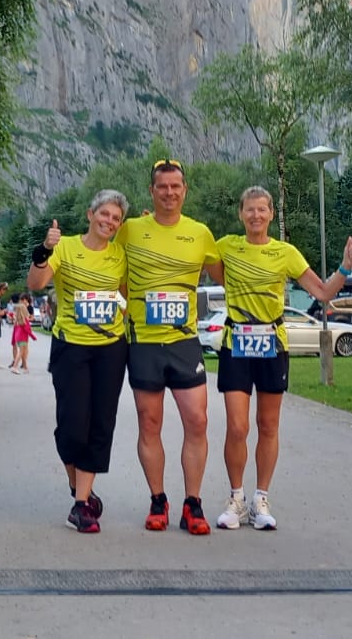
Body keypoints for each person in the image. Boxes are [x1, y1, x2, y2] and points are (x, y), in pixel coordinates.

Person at [213, 186, 352, 531]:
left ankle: (260, 498)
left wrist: (345, 266)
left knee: (268, 425)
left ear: (271, 214)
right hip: (236, 342)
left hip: (272, 344)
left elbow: (323, 292)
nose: (255, 216)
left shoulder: (285, 252)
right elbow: (201, 266)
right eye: (249, 210)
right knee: (237, 426)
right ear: (241, 214)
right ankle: (236, 499)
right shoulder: (226, 247)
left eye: (262, 210)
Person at [117, 159, 222, 534]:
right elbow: (111, 269)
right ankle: (157, 500)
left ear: (185, 190)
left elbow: (227, 273)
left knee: (197, 420)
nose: (169, 193)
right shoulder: (130, 230)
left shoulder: (200, 233)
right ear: (152, 191)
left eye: (175, 186)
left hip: (184, 342)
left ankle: (192, 503)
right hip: (144, 341)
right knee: (150, 423)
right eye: (162, 187)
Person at [28, 191, 131, 533]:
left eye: (116, 218)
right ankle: (78, 486)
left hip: (110, 349)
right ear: (90, 214)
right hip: (70, 347)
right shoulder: (66, 247)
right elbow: (37, 282)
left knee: (100, 424)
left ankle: (80, 505)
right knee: (72, 427)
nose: (109, 222)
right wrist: (44, 249)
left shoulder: (120, 255)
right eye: (104, 214)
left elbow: (127, 294)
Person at [10, 293, 34, 373]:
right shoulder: (24, 322)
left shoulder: (18, 321)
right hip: (23, 336)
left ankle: (25, 367)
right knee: (21, 351)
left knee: (23, 350)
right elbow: (27, 329)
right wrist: (33, 336)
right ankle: (15, 366)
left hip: (19, 335)